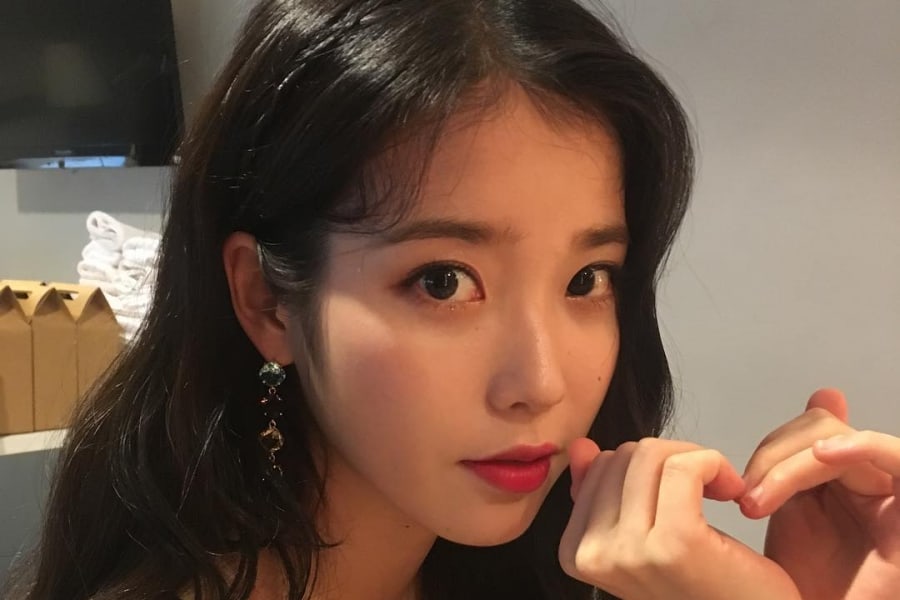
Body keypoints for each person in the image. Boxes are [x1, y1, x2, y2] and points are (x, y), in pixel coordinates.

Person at [4, 0, 899, 598]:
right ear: (267, 301)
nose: (541, 384)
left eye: (586, 280)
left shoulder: (535, 572)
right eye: (443, 281)